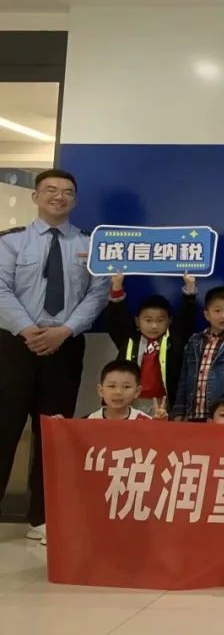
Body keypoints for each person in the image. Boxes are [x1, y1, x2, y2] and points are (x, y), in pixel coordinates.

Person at [0, 169, 110, 541]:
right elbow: (0, 288)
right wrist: (27, 329)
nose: (58, 196)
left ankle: (42, 518)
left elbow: (98, 294)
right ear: (35, 196)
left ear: (75, 200)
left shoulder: (91, 244)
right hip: (14, 345)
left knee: (54, 432)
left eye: (67, 192)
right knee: (4, 427)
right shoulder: (11, 241)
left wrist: (64, 331)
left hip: (65, 345)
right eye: (50, 190)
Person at [106, 273, 198, 415]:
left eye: (160, 320)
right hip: (132, 400)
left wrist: (190, 288)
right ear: (137, 322)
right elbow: (117, 318)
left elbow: (187, 318)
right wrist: (117, 285)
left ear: (169, 321)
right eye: (148, 320)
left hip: (164, 402)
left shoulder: (174, 341)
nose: (154, 326)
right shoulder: (129, 339)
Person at [171, 286, 224, 422]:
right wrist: (179, 411)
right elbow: (184, 380)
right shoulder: (194, 341)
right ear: (206, 314)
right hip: (192, 415)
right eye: (217, 311)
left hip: (222, 418)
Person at [87, 359, 154, 421]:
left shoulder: (145, 421)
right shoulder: (91, 420)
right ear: (101, 390)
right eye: (112, 386)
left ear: (137, 392)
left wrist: (158, 424)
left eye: (126, 387)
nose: (118, 392)